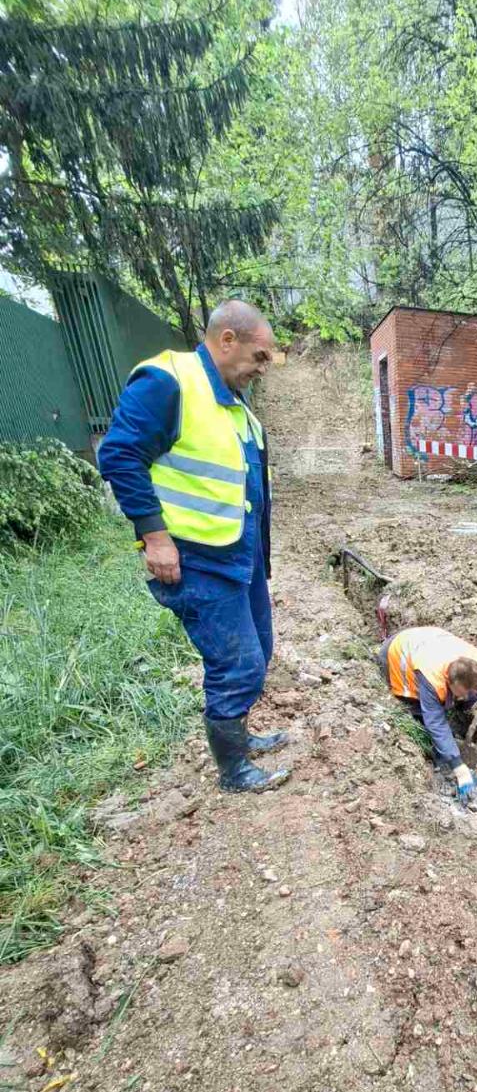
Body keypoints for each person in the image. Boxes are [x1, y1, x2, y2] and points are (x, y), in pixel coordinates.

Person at [98, 300, 289, 794]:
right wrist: (153, 535)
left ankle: (241, 740)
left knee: (259, 651)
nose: (262, 369)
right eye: (260, 357)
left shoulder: (231, 401)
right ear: (227, 340)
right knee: (237, 663)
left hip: (238, 555)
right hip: (197, 558)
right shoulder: (170, 382)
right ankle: (233, 771)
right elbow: (120, 454)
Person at [379, 626, 477, 800]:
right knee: (420, 711)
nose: (465, 696)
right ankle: (437, 742)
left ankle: (455, 718)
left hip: (428, 639)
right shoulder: (431, 678)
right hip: (397, 652)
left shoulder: (476, 666)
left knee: (468, 699)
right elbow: (436, 723)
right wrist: (459, 768)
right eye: (459, 692)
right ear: (448, 681)